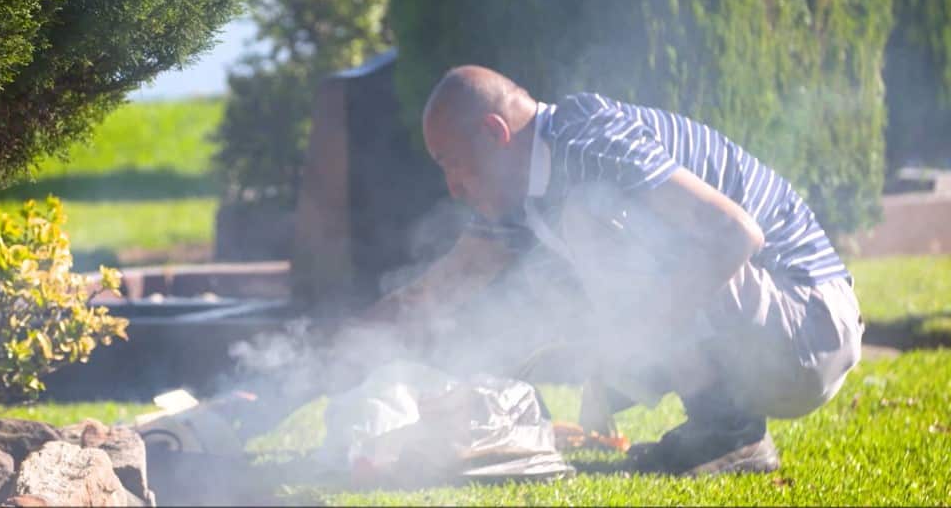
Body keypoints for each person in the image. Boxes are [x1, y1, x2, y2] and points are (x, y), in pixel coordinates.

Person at [358, 64, 864, 475]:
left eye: (450, 161)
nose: (452, 186)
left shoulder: (585, 137)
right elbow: (447, 282)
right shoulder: (528, 197)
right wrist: (334, 348)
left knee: (589, 216)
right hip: (767, 336)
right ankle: (717, 428)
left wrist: (632, 339)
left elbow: (736, 234)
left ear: (495, 132)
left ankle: (727, 430)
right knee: (559, 272)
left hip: (809, 325)